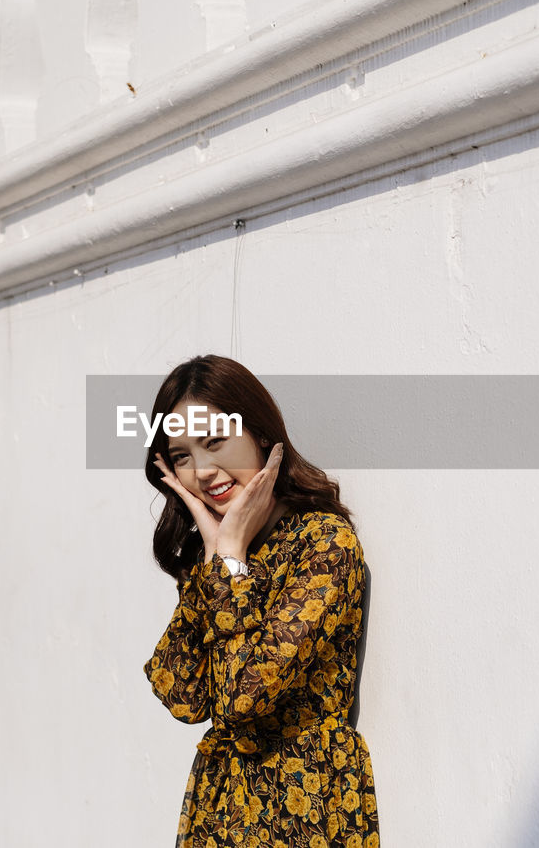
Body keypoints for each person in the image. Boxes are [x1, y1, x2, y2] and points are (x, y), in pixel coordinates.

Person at [143, 355, 381, 848]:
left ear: (260, 433)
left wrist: (227, 558)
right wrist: (218, 554)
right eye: (182, 456)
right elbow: (183, 695)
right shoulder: (222, 554)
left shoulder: (323, 543)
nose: (204, 471)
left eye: (214, 442)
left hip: (306, 799)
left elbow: (240, 698)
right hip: (220, 804)